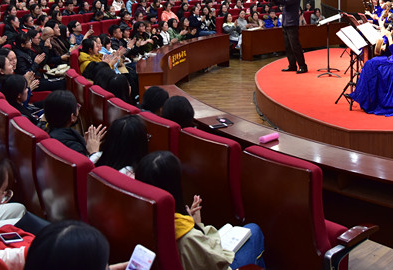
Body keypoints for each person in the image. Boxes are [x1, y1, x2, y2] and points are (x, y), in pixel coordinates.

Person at [135, 151, 266, 270]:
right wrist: (199, 225)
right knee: (254, 231)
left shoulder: (136, 220)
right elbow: (219, 261)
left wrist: (187, 221)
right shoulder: (187, 237)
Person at [350, 8, 393, 116]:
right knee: (371, 63)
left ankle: (371, 100)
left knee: (373, 66)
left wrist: (389, 38)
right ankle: (367, 98)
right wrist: (387, 40)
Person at [43, 90, 105, 157]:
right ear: (72, 117)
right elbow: (85, 163)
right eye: (77, 106)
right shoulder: (75, 148)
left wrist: (83, 143)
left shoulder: (46, 131)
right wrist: (93, 152)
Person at [267, 0, 307, 73]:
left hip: (292, 22)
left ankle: (302, 66)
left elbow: (286, 2)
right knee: (288, 46)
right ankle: (292, 65)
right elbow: (278, 2)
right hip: (285, 22)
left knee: (295, 46)